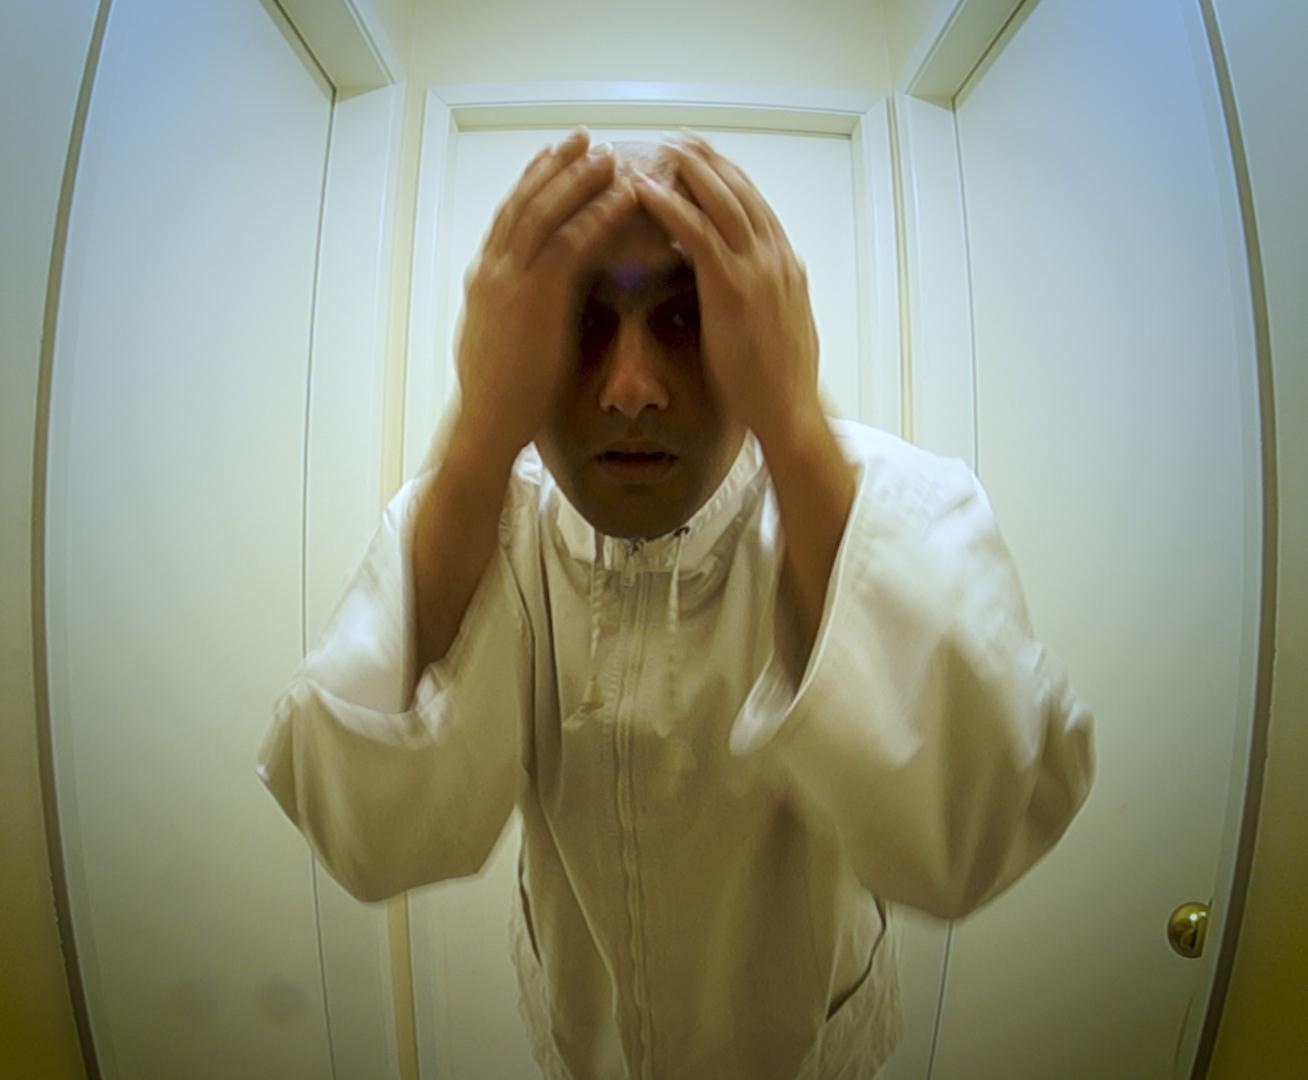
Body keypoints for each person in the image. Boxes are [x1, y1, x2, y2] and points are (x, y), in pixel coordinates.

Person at [255, 127, 1095, 1079]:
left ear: (759, 328)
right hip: (585, 1045)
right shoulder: (484, 517)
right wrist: (483, 425)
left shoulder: (888, 503)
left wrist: (793, 420)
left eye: (687, 319)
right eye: (581, 323)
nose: (632, 390)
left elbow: (976, 830)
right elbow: (369, 835)